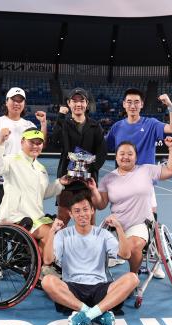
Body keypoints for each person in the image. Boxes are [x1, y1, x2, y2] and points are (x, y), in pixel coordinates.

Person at [41, 192, 138, 325]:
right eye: (77, 211)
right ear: (71, 214)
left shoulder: (103, 234)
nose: (82, 214)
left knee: (132, 278)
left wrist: (119, 228)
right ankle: (96, 313)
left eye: (86, 209)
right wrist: (51, 232)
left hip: (99, 288)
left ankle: (86, 315)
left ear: (92, 211)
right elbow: (48, 260)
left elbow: (126, 254)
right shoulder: (63, 234)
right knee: (47, 281)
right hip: (73, 289)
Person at [89, 136, 172, 277]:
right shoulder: (108, 179)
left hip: (140, 223)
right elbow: (101, 205)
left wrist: (171, 148)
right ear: (116, 157)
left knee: (133, 246)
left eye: (130, 154)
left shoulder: (146, 170)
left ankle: (133, 276)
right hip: (116, 225)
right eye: (122, 154)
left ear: (136, 157)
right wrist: (94, 190)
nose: (126, 157)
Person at [0, 127, 70, 253]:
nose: (35, 146)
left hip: (36, 217)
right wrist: (0, 141)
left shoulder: (40, 168)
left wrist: (60, 183)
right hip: (16, 217)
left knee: (60, 231)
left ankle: (43, 263)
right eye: (31, 142)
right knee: (50, 233)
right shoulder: (11, 160)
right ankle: (44, 268)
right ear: (22, 142)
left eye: (39, 143)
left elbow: (43, 194)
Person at [106, 88, 172, 217]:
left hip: (145, 183)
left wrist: (170, 106)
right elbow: (104, 147)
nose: (132, 106)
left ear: (142, 104)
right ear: (124, 104)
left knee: (149, 223)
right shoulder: (116, 127)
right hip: (122, 183)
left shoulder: (151, 124)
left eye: (136, 102)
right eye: (129, 102)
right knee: (120, 222)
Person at [0, 87, 47, 227]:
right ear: (6, 102)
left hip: (23, 182)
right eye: (13, 100)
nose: (17, 103)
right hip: (1, 182)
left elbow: (41, 143)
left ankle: (21, 249)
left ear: (24, 104)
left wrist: (43, 124)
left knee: (25, 222)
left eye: (20, 101)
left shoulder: (29, 125)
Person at [51, 87, 107, 226]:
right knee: (62, 223)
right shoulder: (63, 124)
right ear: (69, 104)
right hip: (67, 183)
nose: (78, 104)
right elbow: (55, 142)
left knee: (89, 224)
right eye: (74, 101)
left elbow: (102, 152)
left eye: (81, 101)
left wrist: (89, 167)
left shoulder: (95, 126)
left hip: (88, 184)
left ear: (86, 104)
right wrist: (60, 117)